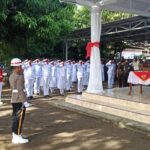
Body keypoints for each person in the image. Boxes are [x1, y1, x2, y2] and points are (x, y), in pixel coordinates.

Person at [9, 58, 29, 144]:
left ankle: (16, 135)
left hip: (14, 99)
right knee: (19, 119)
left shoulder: (12, 74)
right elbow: (20, 90)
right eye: (19, 66)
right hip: (19, 100)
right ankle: (17, 137)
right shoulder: (19, 76)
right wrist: (25, 101)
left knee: (15, 118)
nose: (20, 68)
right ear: (16, 67)